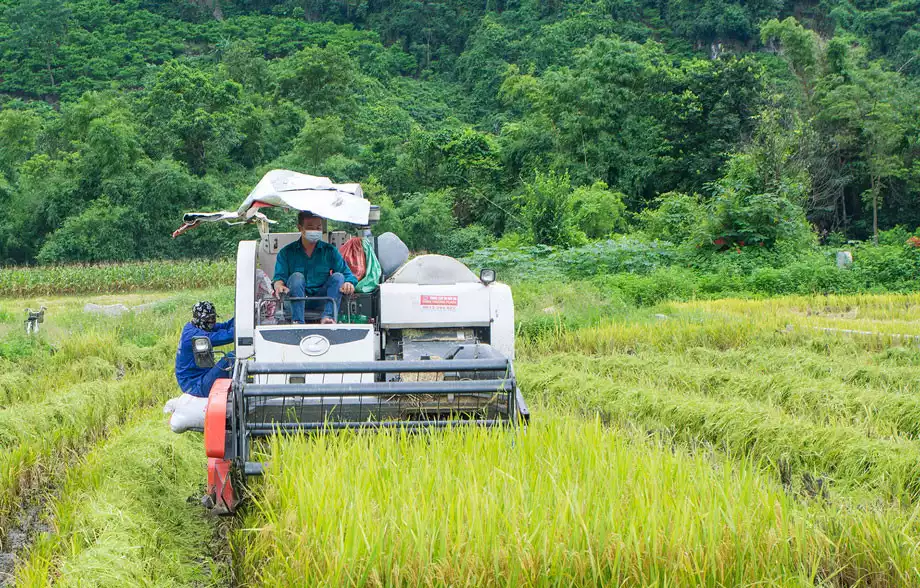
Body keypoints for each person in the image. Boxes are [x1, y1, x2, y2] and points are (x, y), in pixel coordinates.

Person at [272, 211, 357, 324]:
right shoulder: (286, 253)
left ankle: (328, 318)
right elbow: (278, 279)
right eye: (310, 227)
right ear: (300, 228)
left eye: (318, 228)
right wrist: (279, 286)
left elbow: (347, 275)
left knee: (338, 277)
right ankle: (298, 322)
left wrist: (348, 283)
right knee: (297, 277)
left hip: (322, 300)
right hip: (294, 300)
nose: (315, 231)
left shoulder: (330, 251)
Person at [174, 301, 235, 398]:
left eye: (213, 318)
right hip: (195, 386)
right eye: (208, 319)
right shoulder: (195, 335)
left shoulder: (194, 327)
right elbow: (228, 336)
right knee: (233, 357)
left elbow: (225, 326)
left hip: (201, 378)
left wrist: (242, 314)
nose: (211, 321)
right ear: (198, 319)